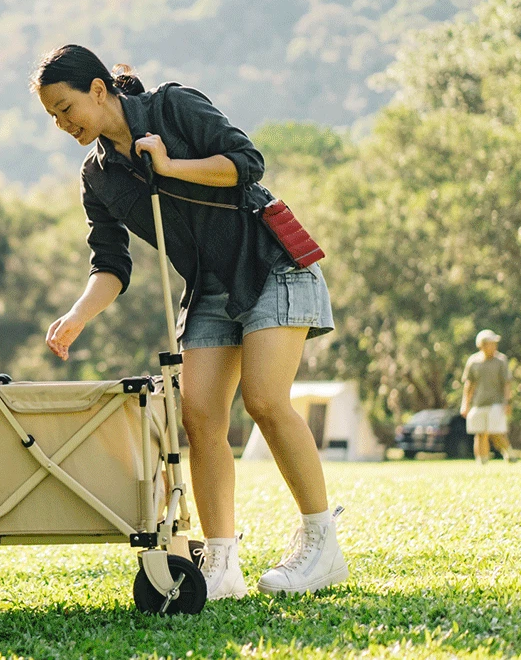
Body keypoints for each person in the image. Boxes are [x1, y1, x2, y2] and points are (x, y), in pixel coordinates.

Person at [31, 44, 344, 599]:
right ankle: (222, 561)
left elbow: (247, 164)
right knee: (199, 419)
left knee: (266, 400)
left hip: (269, 263)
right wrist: (78, 316)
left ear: (98, 89)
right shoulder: (99, 176)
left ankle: (322, 547)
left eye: (65, 108)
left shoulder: (173, 107)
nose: (62, 124)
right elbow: (110, 263)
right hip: (209, 288)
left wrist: (170, 166)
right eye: (52, 116)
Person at [460, 329, 514, 465]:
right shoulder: (473, 361)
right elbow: (469, 384)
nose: (494, 346)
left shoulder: (500, 360)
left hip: (496, 402)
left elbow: (507, 384)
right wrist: (465, 404)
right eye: (491, 343)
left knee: (496, 432)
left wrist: (507, 402)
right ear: (482, 345)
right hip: (479, 403)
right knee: (480, 433)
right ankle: (482, 461)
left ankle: (508, 452)